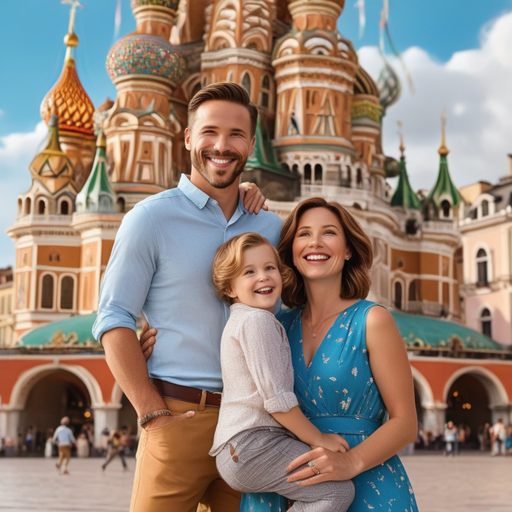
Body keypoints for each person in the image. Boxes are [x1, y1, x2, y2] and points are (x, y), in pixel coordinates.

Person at [141, 197, 419, 511]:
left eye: (329, 233)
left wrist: (352, 462)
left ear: (349, 249)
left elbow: (406, 423)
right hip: (283, 479)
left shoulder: (372, 320)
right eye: (304, 234)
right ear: (291, 253)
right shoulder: (277, 323)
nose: (315, 242)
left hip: (367, 478)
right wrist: (153, 347)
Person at [92, 82, 282, 512]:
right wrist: (151, 413)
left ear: (251, 144)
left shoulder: (270, 227)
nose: (222, 145)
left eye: (236, 135)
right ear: (188, 138)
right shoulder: (150, 218)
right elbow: (113, 317)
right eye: (209, 132)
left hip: (255, 427)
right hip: (180, 415)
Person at [210, 232, 354, 510]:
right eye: (249, 271)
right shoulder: (256, 322)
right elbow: (277, 402)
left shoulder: (247, 320)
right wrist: (320, 439)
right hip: (253, 445)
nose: (263, 277)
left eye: (269, 268)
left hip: (243, 448)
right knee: (336, 491)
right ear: (230, 288)